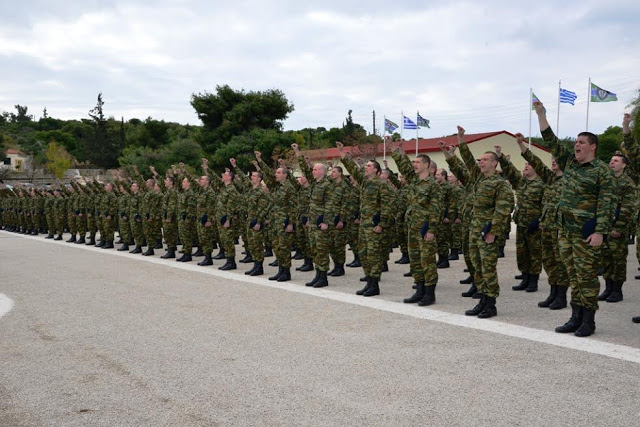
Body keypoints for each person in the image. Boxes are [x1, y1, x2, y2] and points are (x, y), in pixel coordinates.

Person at [534, 100, 615, 337]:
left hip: (586, 234)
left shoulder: (602, 172)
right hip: (565, 232)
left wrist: (600, 232)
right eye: (576, 141)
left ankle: (588, 321)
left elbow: (607, 205)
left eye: (581, 142)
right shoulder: (570, 164)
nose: (576, 145)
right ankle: (575, 316)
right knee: (573, 276)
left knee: (587, 277)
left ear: (593, 147)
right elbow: (550, 139)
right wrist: (541, 114)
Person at [455, 126, 513, 318]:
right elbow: (468, 160)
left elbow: (503, 210)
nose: (481, 162)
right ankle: (482, 299)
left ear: (495, 163)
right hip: (474, 231)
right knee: (477, 267)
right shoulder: (478, 180)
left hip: (487, 232)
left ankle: (491, 304)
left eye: (485, 159)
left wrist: (493, 231)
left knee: (488, 268)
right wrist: (461, 140)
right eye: (481, 160)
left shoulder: (499, 184)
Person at [514, 133, 569, 310]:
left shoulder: (571, 181)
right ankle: (553, 292)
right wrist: (521, 145)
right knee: (549, 262)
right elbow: (534, 160)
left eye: (556, 159)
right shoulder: (551, 179)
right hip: (547, 227)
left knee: (560, 263)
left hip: (561, 229)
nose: (553, 161)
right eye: (551, 159)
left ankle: (561, 296)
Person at [338, 141, 393, 296]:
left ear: (376, 170)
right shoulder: (364, 182)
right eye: (366, 166)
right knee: (364, 253)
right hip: (364, 225)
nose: (365, 168)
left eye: (369, 166)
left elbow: (387, 206)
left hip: (374, 226)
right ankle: (369, 281)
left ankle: (375, 285)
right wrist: (342, 153)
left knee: (374, 254)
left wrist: (381, 224)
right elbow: (353, 169)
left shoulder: (382, 185)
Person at [390, 141, 442, 305]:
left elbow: (436, 209)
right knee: (415, 260)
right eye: (414, 162)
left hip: (425, 228)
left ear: (427, 165)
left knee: (427, 261)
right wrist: (394, 150)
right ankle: (419, 290)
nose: (414, 164)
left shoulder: (433, 185)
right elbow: (403, 165)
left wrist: (432, 229)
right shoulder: (413, 181)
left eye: (418, 162)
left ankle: (429, 293)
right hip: (412, 227)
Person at [495, 145, 545, 292]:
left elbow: (547, 204)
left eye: (529, 164)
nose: (526, 166)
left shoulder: (542, 184)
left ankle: (533, 280)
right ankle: (525, 277)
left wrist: (540, 221)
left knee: (534, 253)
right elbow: (510, 171)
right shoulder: (522, 182)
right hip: (522, 223)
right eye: (525, 164)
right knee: (522, 252)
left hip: (534, 225)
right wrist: (500, 156)